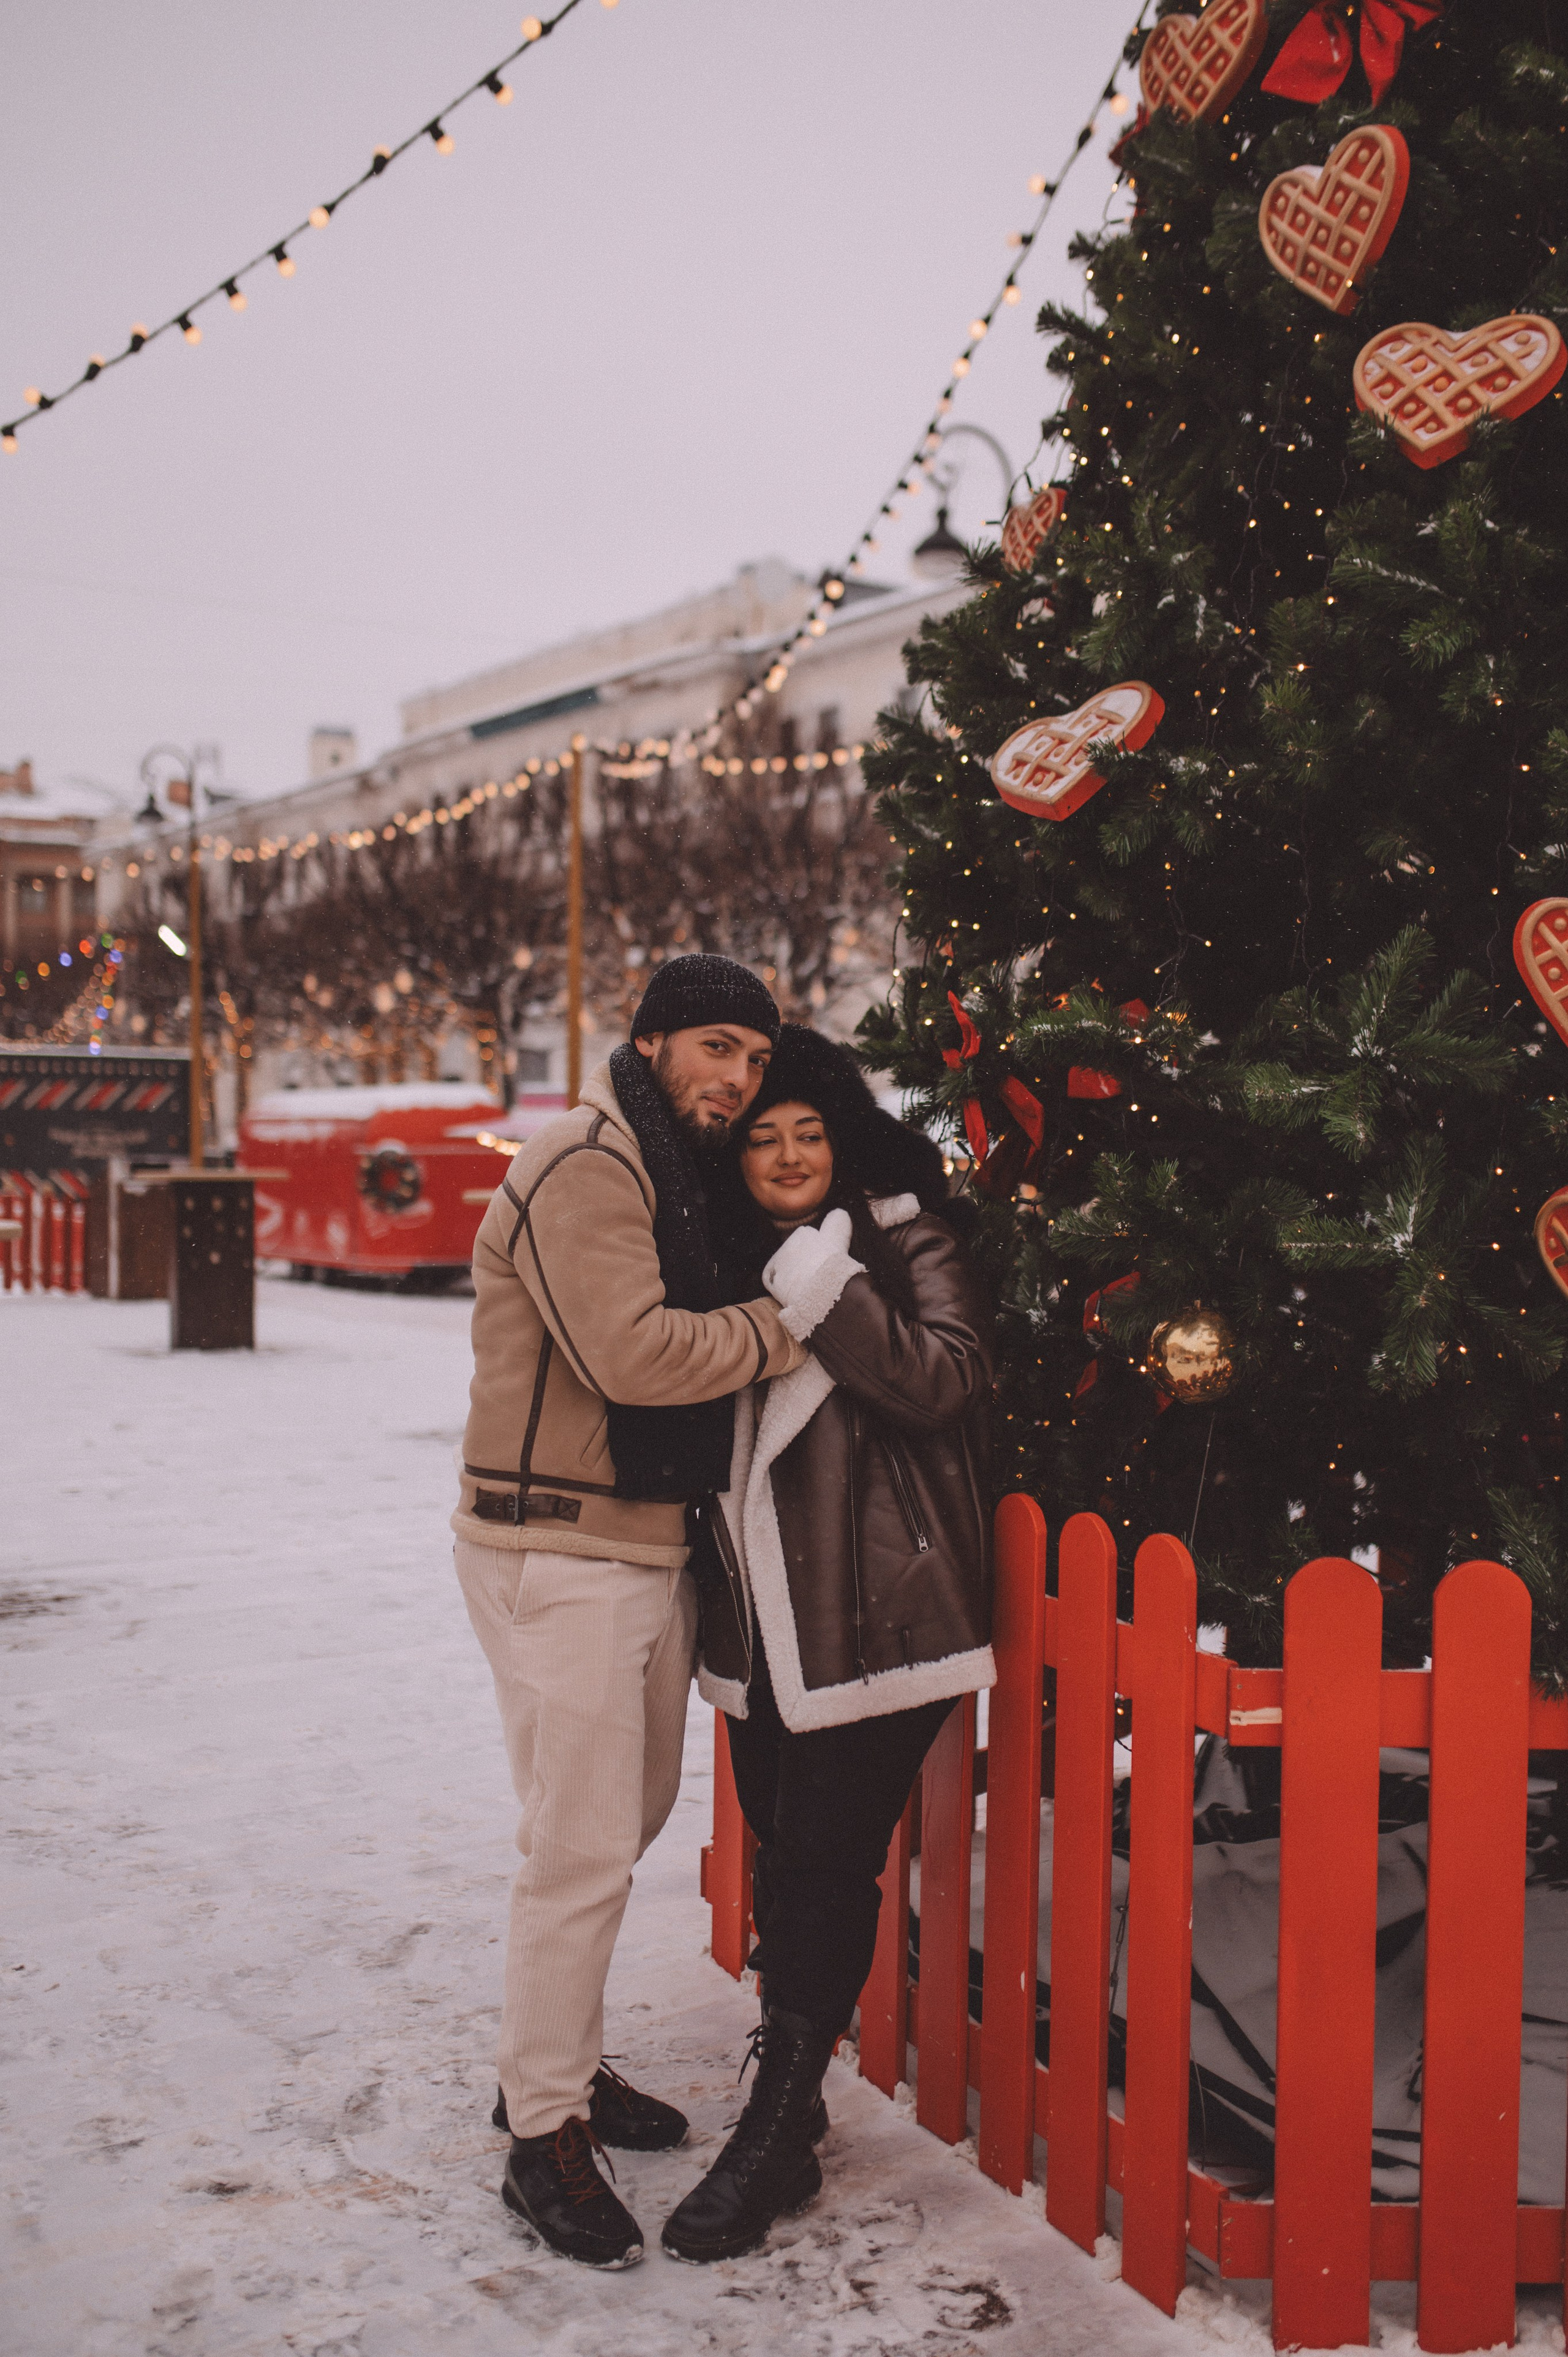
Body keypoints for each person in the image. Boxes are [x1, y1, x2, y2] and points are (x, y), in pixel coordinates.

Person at [454, 954, 806, 2270]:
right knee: (582, 1846)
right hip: (560, 1546)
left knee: (618, 1823)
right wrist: (785, 1325)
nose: (738, 1078)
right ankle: (541, 2130)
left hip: (637, 1543)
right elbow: (636, 1353)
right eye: (717, 1047)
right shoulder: (588, 1162)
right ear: (651, 1040)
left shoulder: (672, 1173)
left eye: (755, 1059)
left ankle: (555, 2062)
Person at [662, 1024, 996, 2264]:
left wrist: (820, 1280)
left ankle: (773, 2128)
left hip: (882, 1610)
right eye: (765, 1138)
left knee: (824, 1861)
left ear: (843, 1140)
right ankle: (793, 2106)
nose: (791, 1155)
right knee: (780, 1839)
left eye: (811, 1132)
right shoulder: (713, 1261)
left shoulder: (901, 1239)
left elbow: (944, 1380)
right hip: (764, 1620)